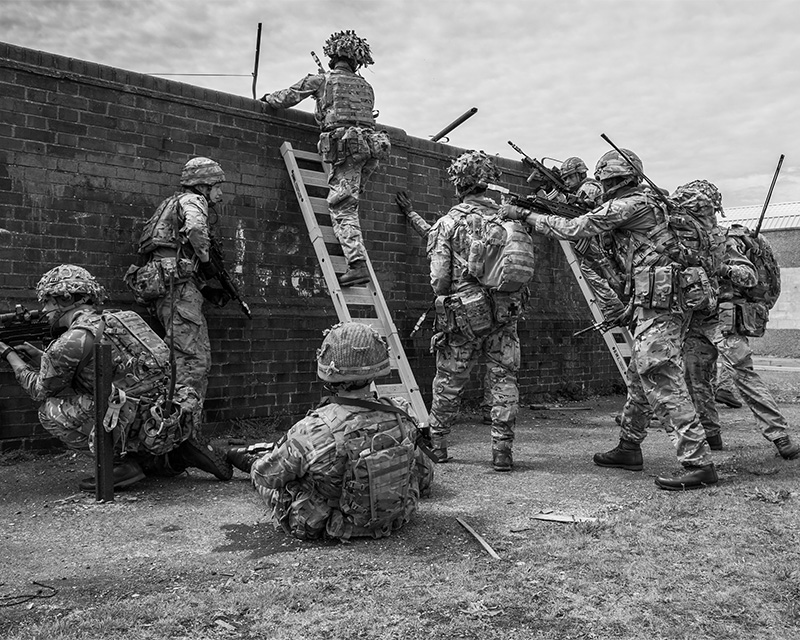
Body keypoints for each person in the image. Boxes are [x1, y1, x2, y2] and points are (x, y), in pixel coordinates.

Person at [502, 148, 717, 490]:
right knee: (638, 376)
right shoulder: (649, 202)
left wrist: (525, 215)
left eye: (605, 182)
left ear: (610, 179)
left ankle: (698, 462)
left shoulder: (633, 204)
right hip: (658, 297)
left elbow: (574, 228)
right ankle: (629, 447)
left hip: (661, 301)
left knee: (658, 371)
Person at [0, 265, 232, 491]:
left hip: (129, 418)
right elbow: (101, 369)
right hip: (165, 412)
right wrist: (41, 357)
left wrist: (10, 355)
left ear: (65, 299)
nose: (43, 310)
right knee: (112, 402)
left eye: (47, 302)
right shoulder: (123, 319)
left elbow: (40, 389)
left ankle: (120, 465)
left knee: (48, 410)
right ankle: (174, 455)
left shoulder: (69, 341)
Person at [226, 321, 433, 541]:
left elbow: (266, 476)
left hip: (334, 525)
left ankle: (247, 457)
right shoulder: (401, 413)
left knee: (276, 481)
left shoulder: (313, 429)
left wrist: (257, 466)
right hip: (396, 518)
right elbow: (424, 473)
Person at [261, 30, 391, 287]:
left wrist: (267, 99)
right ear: (357, 61)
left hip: (348, 149)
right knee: (350, 203)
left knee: (342, 207)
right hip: (371, 149)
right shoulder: (366, 86)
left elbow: (285, 98)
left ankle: (356, 265)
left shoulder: (322, 80)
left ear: (333, 56)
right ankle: (356, 258)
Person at [425, 151, 524, 471]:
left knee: (449, 378)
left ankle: (438, 445)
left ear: (459, 184)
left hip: (464, 315)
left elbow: (440, 280)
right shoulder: (508, 221)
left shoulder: (448, 223)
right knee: (503, 378)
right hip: (504, 313)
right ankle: (502, 451)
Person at [126, 156, 228, 417]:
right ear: (203, 186)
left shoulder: (170, 205)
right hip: (178, 291)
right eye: (217, 186)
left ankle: (184, 428)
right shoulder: (193, 201)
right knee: (189, 363)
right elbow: (195, 229)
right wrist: (205, 261)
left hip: (172, 289)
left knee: (196, 359)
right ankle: (178, 432)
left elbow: (173, 253)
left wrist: (204, 286)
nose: (220, 192)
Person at [395, 190, 494, 424]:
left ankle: (439, 438)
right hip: (500, 306)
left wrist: (441, 300)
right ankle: (499, 438)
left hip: (465, 308)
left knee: (451, 373)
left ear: (459, 188)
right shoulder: (500, 220)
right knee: (500, 370)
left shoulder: (450, 223)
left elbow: (439, 271)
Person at [716, 223, 800, 458]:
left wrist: (719, 268)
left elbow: (749, 276)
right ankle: (711, 435)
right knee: (697, 374)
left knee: (743, 373)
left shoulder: (725, 240)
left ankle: (779, 436)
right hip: (707, 316)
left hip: (724, 316)